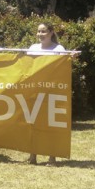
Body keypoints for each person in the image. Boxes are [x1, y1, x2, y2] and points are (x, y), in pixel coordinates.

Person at [26, 22, 65, 164]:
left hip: (52, 92)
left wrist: (69, 59)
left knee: (50, 125)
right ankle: (32, 156)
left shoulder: (59, 48)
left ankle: (52, 157)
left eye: (43, 31)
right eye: (38, 31)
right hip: (34, 91)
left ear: (51, 33)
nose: (40, 34)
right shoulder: (32, 48)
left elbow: (62, 68)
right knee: (33, 124)